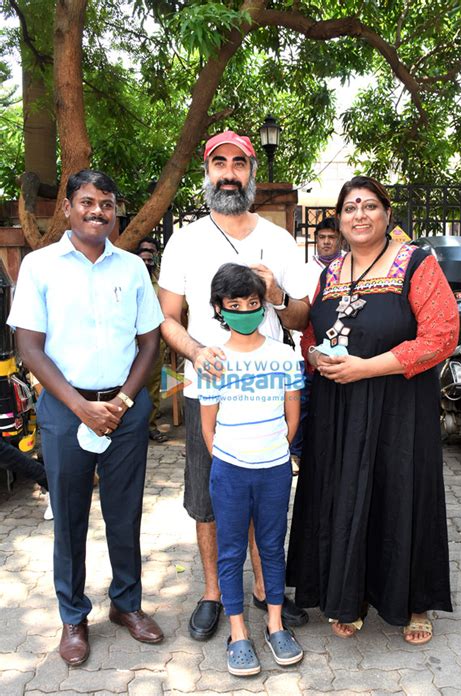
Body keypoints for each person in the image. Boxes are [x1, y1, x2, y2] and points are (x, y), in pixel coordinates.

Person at [286, 175, 458, 646]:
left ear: (386, 214)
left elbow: (443, 334)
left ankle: (414, 601)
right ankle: (350, 595)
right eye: (349, 208)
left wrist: (368, 368)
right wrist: (317, 357)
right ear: (339, 221)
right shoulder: (330, 271)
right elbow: (312, 336)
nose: (359, 214)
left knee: (400, 492)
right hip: (338, 409)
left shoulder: (415, 263)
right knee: (345, 495)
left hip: (398, 409)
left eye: (369, 206)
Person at [8, 169, 164, 666]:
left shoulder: (132, 269)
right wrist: (81, 407)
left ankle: (127, 605)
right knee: (70, 516)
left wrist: (119, 403)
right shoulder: (40, 265)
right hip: (64, 409)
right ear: (69, 209)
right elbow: (28, 347)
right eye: (88, 202)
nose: (98, 211)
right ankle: (73, 616)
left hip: (125, 408)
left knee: (125, 512)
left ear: (115, 211)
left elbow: (149, 343)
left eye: (107, 204)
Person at [159, 130, 310, 641]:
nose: (229, 172)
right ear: (207, 172)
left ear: (250, 173)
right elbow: (168, 319)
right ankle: (212, 594)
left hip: (268, 390)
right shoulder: (186, 240)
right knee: (208, 497)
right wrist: (198, 352)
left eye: (238, 164)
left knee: (264, 496)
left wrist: (276, 292)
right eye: (219, 162)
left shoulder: (279, 239)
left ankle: (268, 591)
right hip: (213, 388)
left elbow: (302, 313)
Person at [199, 263, 304, 675]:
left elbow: (292, 413)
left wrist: (276, 449)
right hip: (229, 470)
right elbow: (208, 426)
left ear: (264, 306)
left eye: (253, 302)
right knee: (230, 551)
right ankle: (238, 631)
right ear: (220, 309)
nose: (245, 309)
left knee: (272, 547)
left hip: (275, 469)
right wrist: (230, 457)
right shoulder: (212, 359)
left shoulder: (283, 355)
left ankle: (274, 624)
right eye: (235, 304)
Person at [290, 217, 344, 465]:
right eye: (321, 238)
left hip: (341, 346)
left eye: (331, 238)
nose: (325, 242)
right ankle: (298, 452)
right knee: (303, 402)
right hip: (308, 345)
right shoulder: (304, 270)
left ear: (339, 240)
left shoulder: (350, 267)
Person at [136, 236, 168, 443]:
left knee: (154, 387)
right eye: (143, 253)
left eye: (151, 256)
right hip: (132, 344)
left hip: (156, 342)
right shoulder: (129, 277)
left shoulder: (161, 281)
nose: (147, 261)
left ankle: (150, 426)